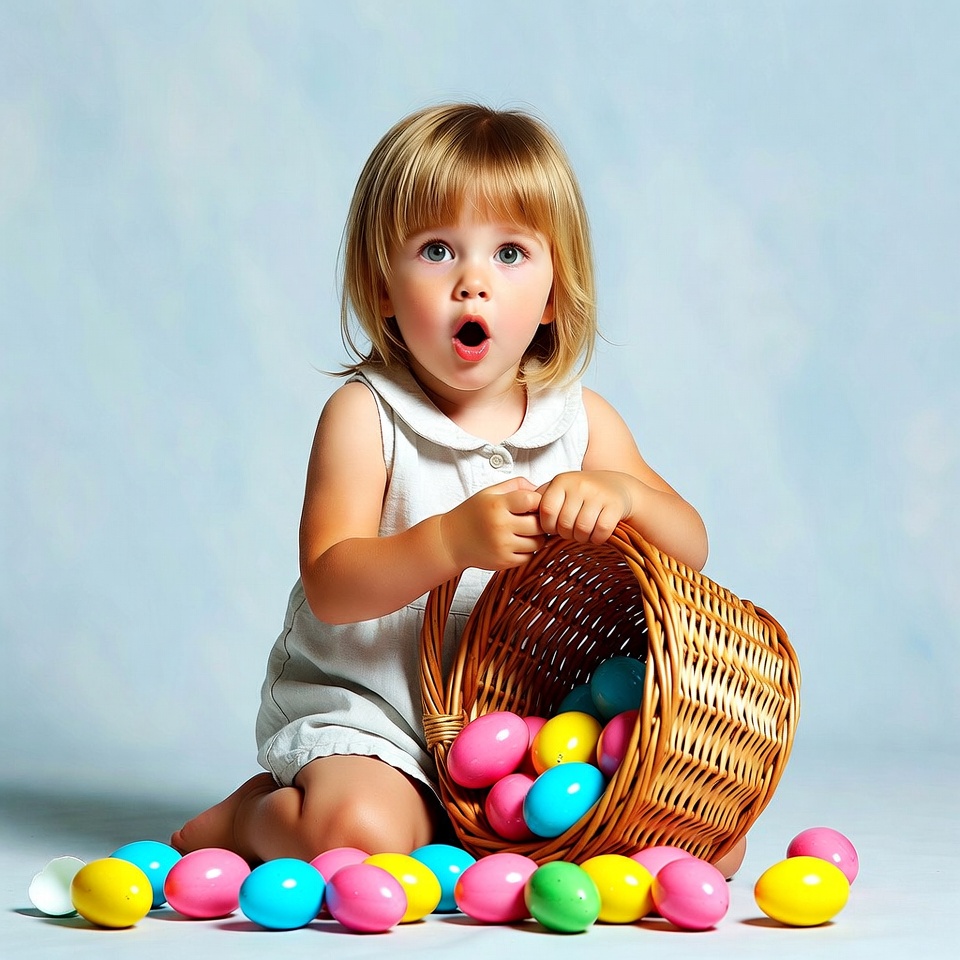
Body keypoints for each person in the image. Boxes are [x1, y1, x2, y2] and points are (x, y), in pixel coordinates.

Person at [171, 102, 726, 870]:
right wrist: (448, 541)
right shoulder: (366, 416)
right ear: (384, 287)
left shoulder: (582, 423)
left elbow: (692, 547)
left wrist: (628, 498)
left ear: (555, 293)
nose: (473, 284)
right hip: (377, 720)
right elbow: (331, 584)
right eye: (437, 251)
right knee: (361, 834)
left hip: (515, 736)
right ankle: (250, 817)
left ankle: (456, 825)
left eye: (509, 254)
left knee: (693, 841)